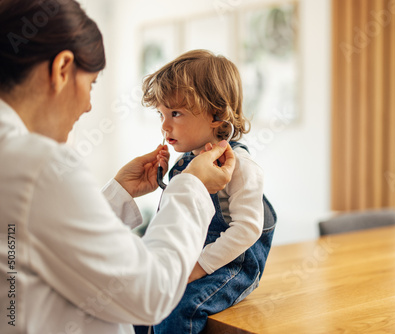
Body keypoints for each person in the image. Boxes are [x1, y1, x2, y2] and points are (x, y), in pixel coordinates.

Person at [0, 1, 235, 333]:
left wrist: (117, 195)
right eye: (92, 84)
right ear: (62, 68)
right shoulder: (39, 166)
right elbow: (151, 294)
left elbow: (46, 241)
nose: (88, 105)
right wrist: (192, 186)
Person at [136, 49, 277, 334]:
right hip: (191, 254)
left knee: (181, 308)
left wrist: (197, 267)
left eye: (175, 113)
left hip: (233, 263)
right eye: (161, 114)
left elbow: (248, 229)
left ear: (216, 114)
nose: (165, 125)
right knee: (141, 299)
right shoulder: (186, 162)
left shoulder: (241, 167)